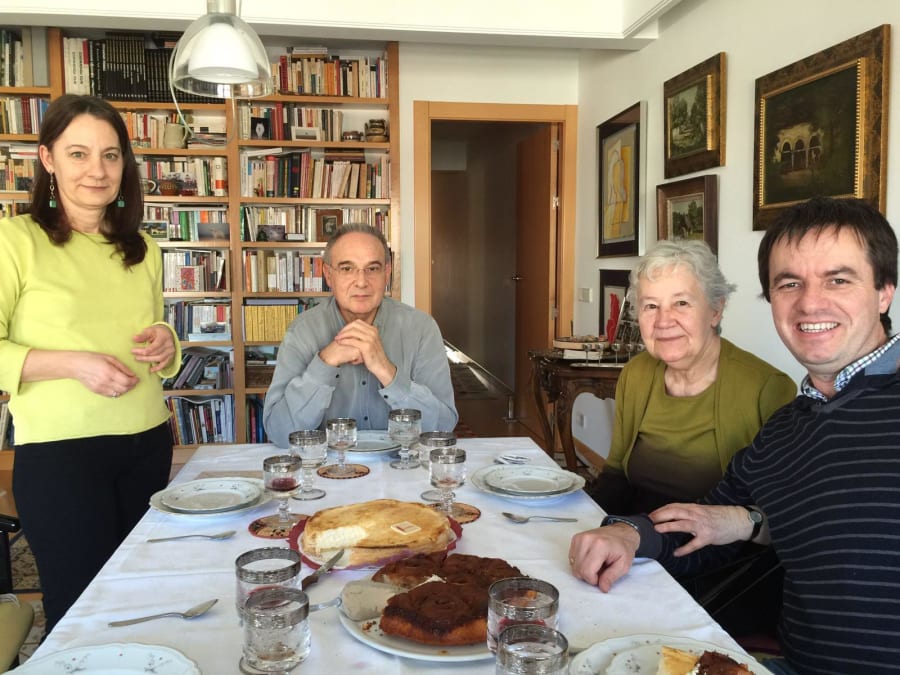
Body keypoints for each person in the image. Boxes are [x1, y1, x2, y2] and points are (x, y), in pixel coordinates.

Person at [569, 197, 900, 673]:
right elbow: (705, 523)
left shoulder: (773, 393)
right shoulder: (790, 428)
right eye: (790, 283)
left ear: (884, 290)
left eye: (838, 279)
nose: (811, 302)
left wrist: (750, 523)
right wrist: (629, 532)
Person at [0, 95, 181, 632]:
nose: (97, 171)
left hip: (149, 441)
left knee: (143, 598)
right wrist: (71, 364)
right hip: (61, 459)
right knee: (82, 610)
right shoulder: (15, 240)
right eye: (78, 154)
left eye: (110, 155)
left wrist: (166, 342)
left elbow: (156, 331)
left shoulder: (143, 248)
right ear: (47, 159)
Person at [588, 239, 796, 515]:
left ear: (715, 310)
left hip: (714, 546)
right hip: (635, 532)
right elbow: (615, 472)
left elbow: (774, 508)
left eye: (681, 303)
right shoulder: (636, 374)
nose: (664, 321)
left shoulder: (766, 388)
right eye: (651, 306)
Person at [263, 223, 457, 447]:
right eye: (347, 268)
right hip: (329, 471)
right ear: (328, 274)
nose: (362, 281)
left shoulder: (422, 328)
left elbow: (442, 428)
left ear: (387, 272)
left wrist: (387, 372)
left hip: (403, 468)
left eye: (372, 268)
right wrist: (325, 363)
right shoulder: (302, 331)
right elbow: (280, 433)